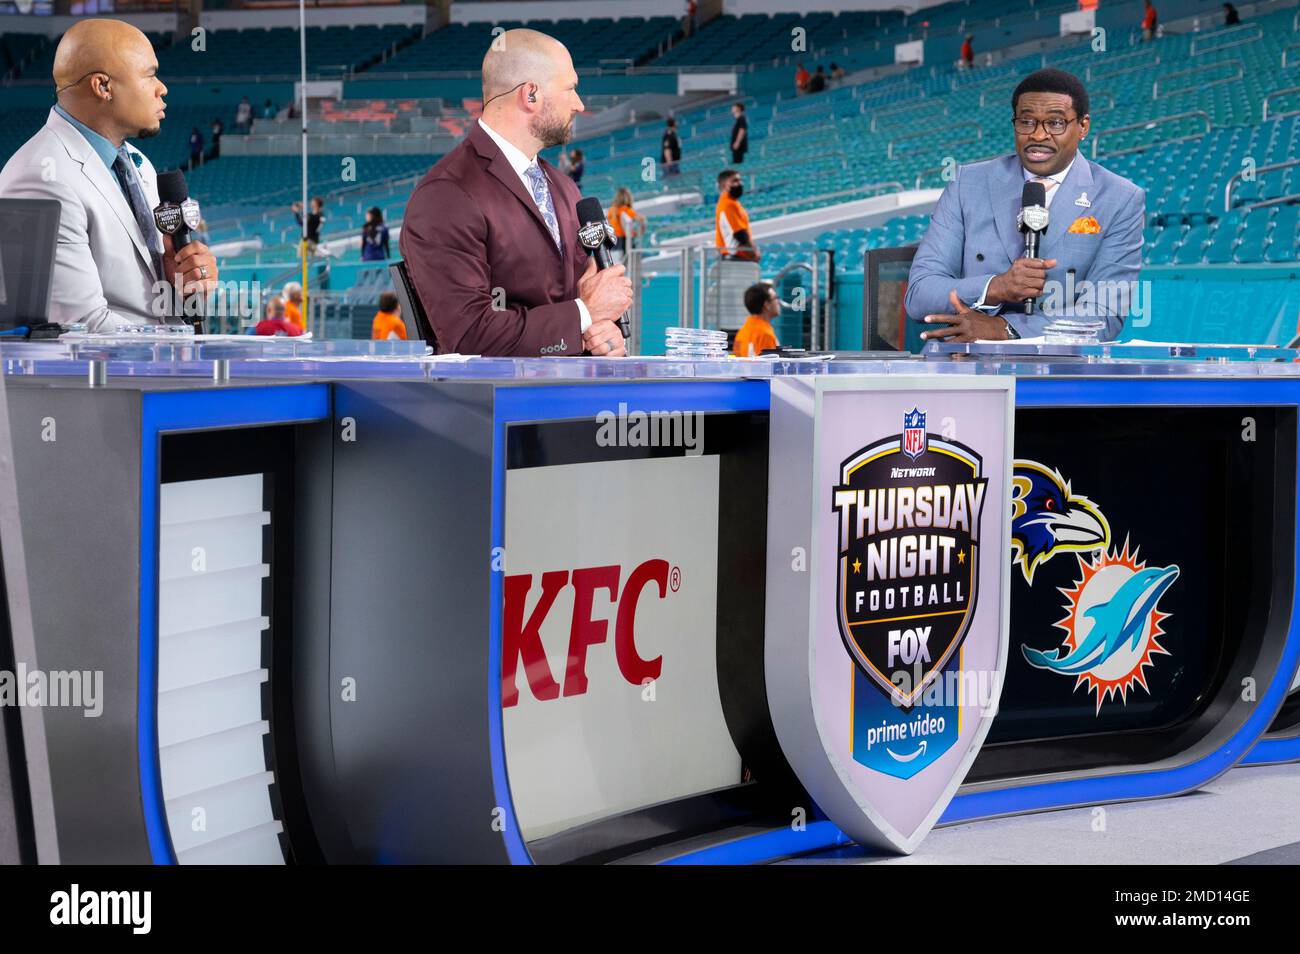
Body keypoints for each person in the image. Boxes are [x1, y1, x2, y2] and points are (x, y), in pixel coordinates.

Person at [399, 28, 632, 357]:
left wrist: (601, 338)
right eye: (570, 89)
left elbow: (577, 312)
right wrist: (584, 315)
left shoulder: (564, 188)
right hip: (496, 406)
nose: (579, 105)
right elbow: (468, 338)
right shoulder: (446, 195)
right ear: (531, 95)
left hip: (568, 398)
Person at [0, 18, 218, 332]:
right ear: (103, 86)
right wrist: (179, 345)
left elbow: (147, 308)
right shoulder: (40, 177)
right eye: (150, 74)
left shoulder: (135, 162)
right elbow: (80, 330)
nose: (162, 88)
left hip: (149, 373)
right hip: (106, 379)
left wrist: (175, 287)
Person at [905, 68, 1144, 342]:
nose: (1038, 136)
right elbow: (919, 295)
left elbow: (1105, 315)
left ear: (1083, 127)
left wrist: (1004, 329)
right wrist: (995, 287)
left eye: (1055, 123)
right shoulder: (966, 184)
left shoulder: (1120, 198)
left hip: (1058, 371)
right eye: (1026, 122)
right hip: (962, 364)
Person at [715, 168, 757, 261]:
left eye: (740, 180)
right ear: (723, 186)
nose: (740, 184)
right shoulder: (728, 204)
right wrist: (753, 253)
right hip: (735, 256)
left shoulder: (733, 203)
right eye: (735, 181)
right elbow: (739, 234)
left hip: (736, 256)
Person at [733, 281, 780, 357]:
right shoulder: (765, 334)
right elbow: (770, 367)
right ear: (767, 305)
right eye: (776, 298)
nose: (779, 302)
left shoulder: (742, 332)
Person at [607, 187, 646, 258]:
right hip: (624, 242)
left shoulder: (611, 210)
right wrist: (640, 230)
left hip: (613, 241)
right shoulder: (626, 210)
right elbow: (641, 220)